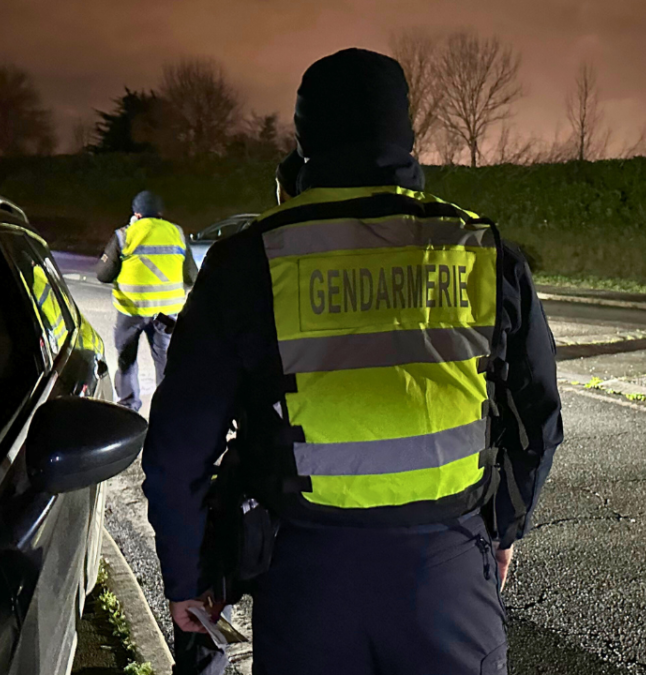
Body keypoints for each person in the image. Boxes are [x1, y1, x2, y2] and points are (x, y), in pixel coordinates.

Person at [141, 49, 563, 674]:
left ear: (306, 138)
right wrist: (503, 529)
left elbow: (179, 447)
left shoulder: (247, 262)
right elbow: (539, 417)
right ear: (406, 133)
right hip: (448, 573)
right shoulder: (482, 250)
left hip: (305, 578)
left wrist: (187, 578)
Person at [96, 190, 197, 411]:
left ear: (137, 214)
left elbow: (103, 275)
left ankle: (128, 407)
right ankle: (169, 407)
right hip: (167, 313)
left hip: (132, 311)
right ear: (161, 213)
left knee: (126, 361)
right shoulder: (176, 233)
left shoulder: (125, 234)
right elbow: (191, 276)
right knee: (165, 361)